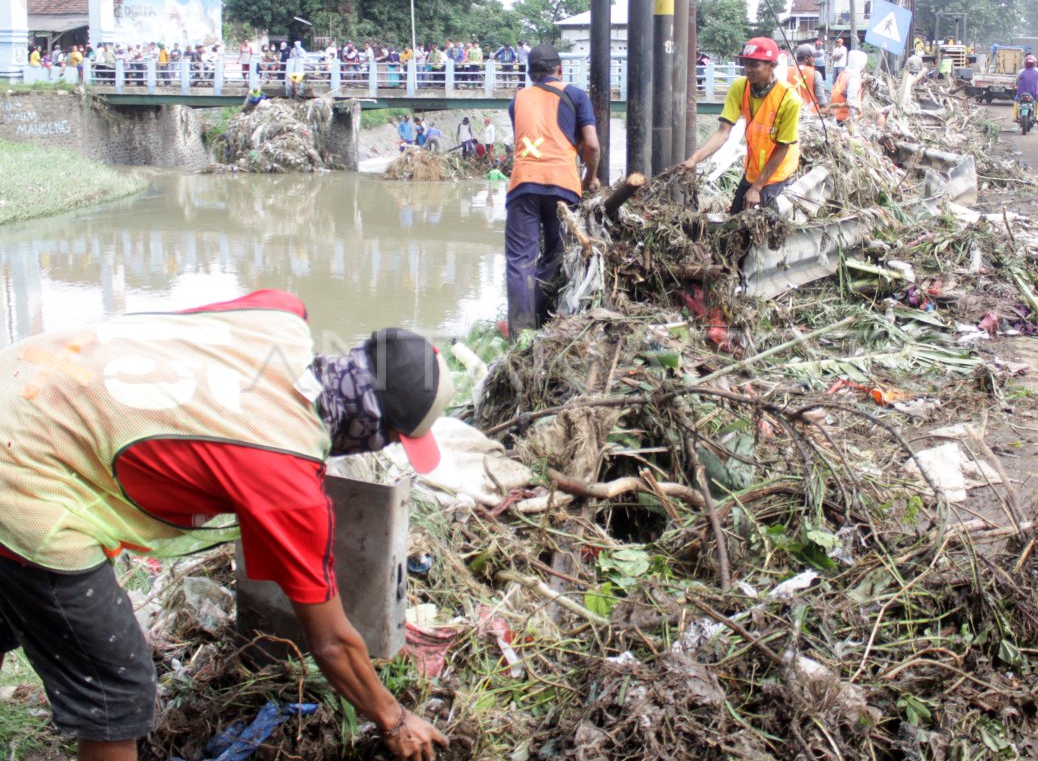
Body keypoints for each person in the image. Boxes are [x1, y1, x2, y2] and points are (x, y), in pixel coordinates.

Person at [0, 289, 452, 761]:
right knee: (119, 690)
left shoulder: (278, 314)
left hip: (26, 374)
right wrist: (395, 719)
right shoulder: (288, 475)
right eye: (388, 440)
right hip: (23, 467)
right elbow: (332, 641)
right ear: (370, 424)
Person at [504, 43, 601, 334]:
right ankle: (542, 320)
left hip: (524, 184)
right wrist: (590, 178)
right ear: (560, 68)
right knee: (557, 255)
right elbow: (592, 145)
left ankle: (520, 333)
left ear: (530, 73)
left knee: (521, 261)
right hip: (564, 185)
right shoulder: (576, 95)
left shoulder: (517, 100)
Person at [682, 36, 801, 213]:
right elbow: (723, 132)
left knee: (760, 217)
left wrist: (757, 188)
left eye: (754, 65)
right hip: (753, 168)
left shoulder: (789, 99)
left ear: (772, 65)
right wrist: (694, 159)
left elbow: (782, 148)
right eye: (745, 64)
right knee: (736, 214)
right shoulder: (740, 86)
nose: (748, 70)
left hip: (777, 170)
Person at [830, 49, 868, 128]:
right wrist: (854, 117)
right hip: (845, 118)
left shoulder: (844, 73)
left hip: (836, 113)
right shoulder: (854, 79)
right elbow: (850, 100)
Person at [787, 45, 826, 114]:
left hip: (791, 115)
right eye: (813, 57)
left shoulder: (787, 72)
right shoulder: (815, 74)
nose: (814, 60)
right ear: (806, 59)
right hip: (810, 117)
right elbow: (822, 102)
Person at [1013, 54, 1038, 124]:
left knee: (1016, 100)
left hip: (1022, 93)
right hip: (1035, 93)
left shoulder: (1020, 71)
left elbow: (1016, 82)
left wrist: (1016, 85)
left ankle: (1015, 117)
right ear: (1035, 64)